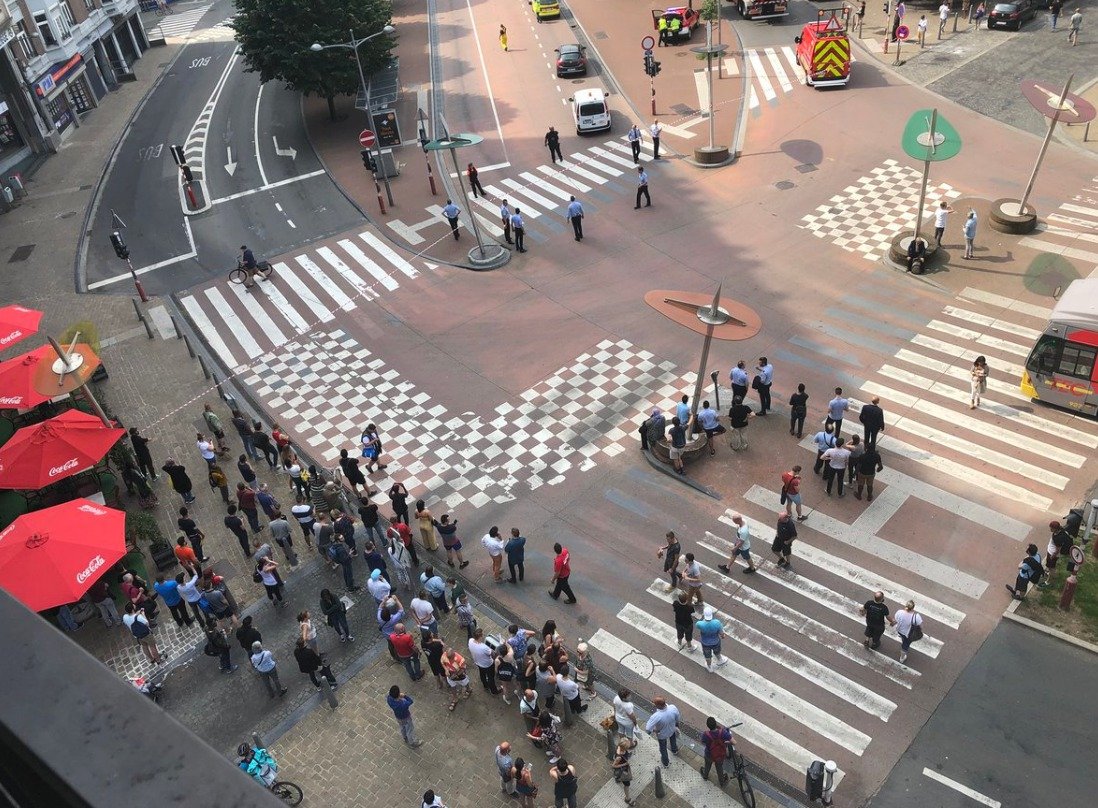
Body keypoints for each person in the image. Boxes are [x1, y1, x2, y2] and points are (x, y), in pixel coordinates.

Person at [645, 696, 681, 767]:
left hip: (662, 735)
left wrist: (655, 730)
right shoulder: (673, 708)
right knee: (673, 740)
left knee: (663, 748)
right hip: (672, 730)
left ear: (658, 705)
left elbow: (648, 728)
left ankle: (666, 762)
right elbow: (677, 718)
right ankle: (674, 750)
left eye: (655, 704)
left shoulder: (656, 716)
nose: (654, 705)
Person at [695, 606, 730, 672]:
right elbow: (721, 633)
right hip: (716, 641)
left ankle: (709, 667)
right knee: (717, 651)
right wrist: (723, 636)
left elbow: (697, 626)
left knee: (707, 655)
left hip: (705, 643)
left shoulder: (700, 624)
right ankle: (720, 660)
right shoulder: (717, 623)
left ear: (704, 614)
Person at [700, 717, 733, 786]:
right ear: (715, 723)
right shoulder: (723, 732)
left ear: (707, 725)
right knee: (719, 768)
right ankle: (722, 782)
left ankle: (705, 776)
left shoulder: (706, 734)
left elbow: (702, 742)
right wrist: (726, 742)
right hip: (720, 754)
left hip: (709, 754)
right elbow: (734, 742)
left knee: (707, 765)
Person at [612, 739, 636, 805]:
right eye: (627, 747)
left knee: (618, 776)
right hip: (623, 771)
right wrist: (624, 764)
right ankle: (627, 799)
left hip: (623, 768)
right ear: (624, 748)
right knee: (627, 785)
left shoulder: (619, 747)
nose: (628, 748)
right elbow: (613, 766)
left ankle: (617, 778)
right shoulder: (619, 757)